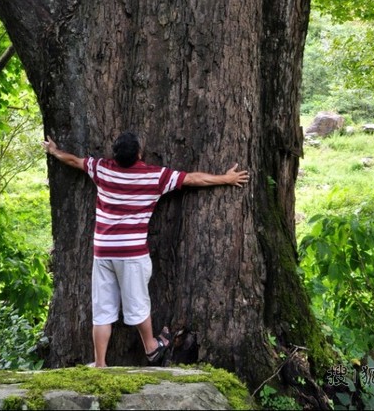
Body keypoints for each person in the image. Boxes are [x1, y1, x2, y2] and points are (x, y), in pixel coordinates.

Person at [43, 130, 249, 368]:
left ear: (115, 153)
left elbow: (74, 161)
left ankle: (100, 363)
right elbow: (193, 179)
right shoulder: (154, 177)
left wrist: (54, 150)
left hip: (103, 251)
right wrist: (226, 178)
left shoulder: (102, 169)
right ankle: (151, 348)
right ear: (140, 154)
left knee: (103, 308)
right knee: (138, 303)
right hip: (132, 254)